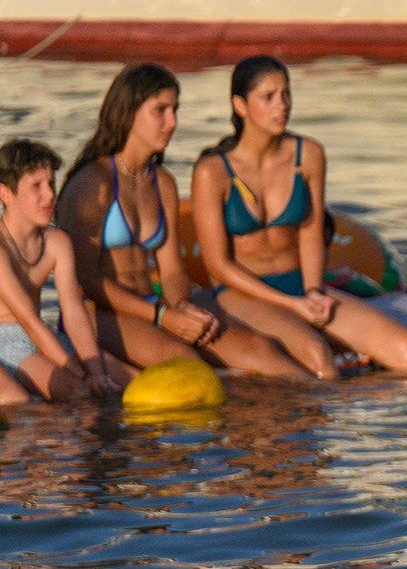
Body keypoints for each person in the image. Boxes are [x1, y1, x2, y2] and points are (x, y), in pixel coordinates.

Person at [56, 63, 309, 381]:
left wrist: (181, 306)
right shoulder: (94, 183)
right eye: (160, 110)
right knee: (187, 362)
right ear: (128, 113)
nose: (173, 122)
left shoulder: (162, 183)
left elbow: (172, 269)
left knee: (261, 349)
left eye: (174, 109)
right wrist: (162, 316)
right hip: (98, 313)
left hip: (156, 304)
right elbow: (86, 279)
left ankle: (318, 411)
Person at [188, 56, 407, 380]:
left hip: (300, 284)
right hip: (241, 295)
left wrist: (314, 291)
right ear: (240, 105)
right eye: (268, 97)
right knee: (319, 360)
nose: (282, 105)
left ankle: (387, 413)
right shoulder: (212, 172)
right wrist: (292, 305)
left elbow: (311, 233)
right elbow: (218, 266)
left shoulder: (309, 155)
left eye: (286, 94)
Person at [0, 139, 133, 404]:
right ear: (5, 193)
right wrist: (82, 374)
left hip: (43, 334)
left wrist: (96, 371)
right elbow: (28, 320)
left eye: (51, 183)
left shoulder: (57, 241)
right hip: (6, 340)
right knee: (81, 392)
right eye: (37, 186)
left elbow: (73, 311)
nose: (50, 194)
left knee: (128, 380)